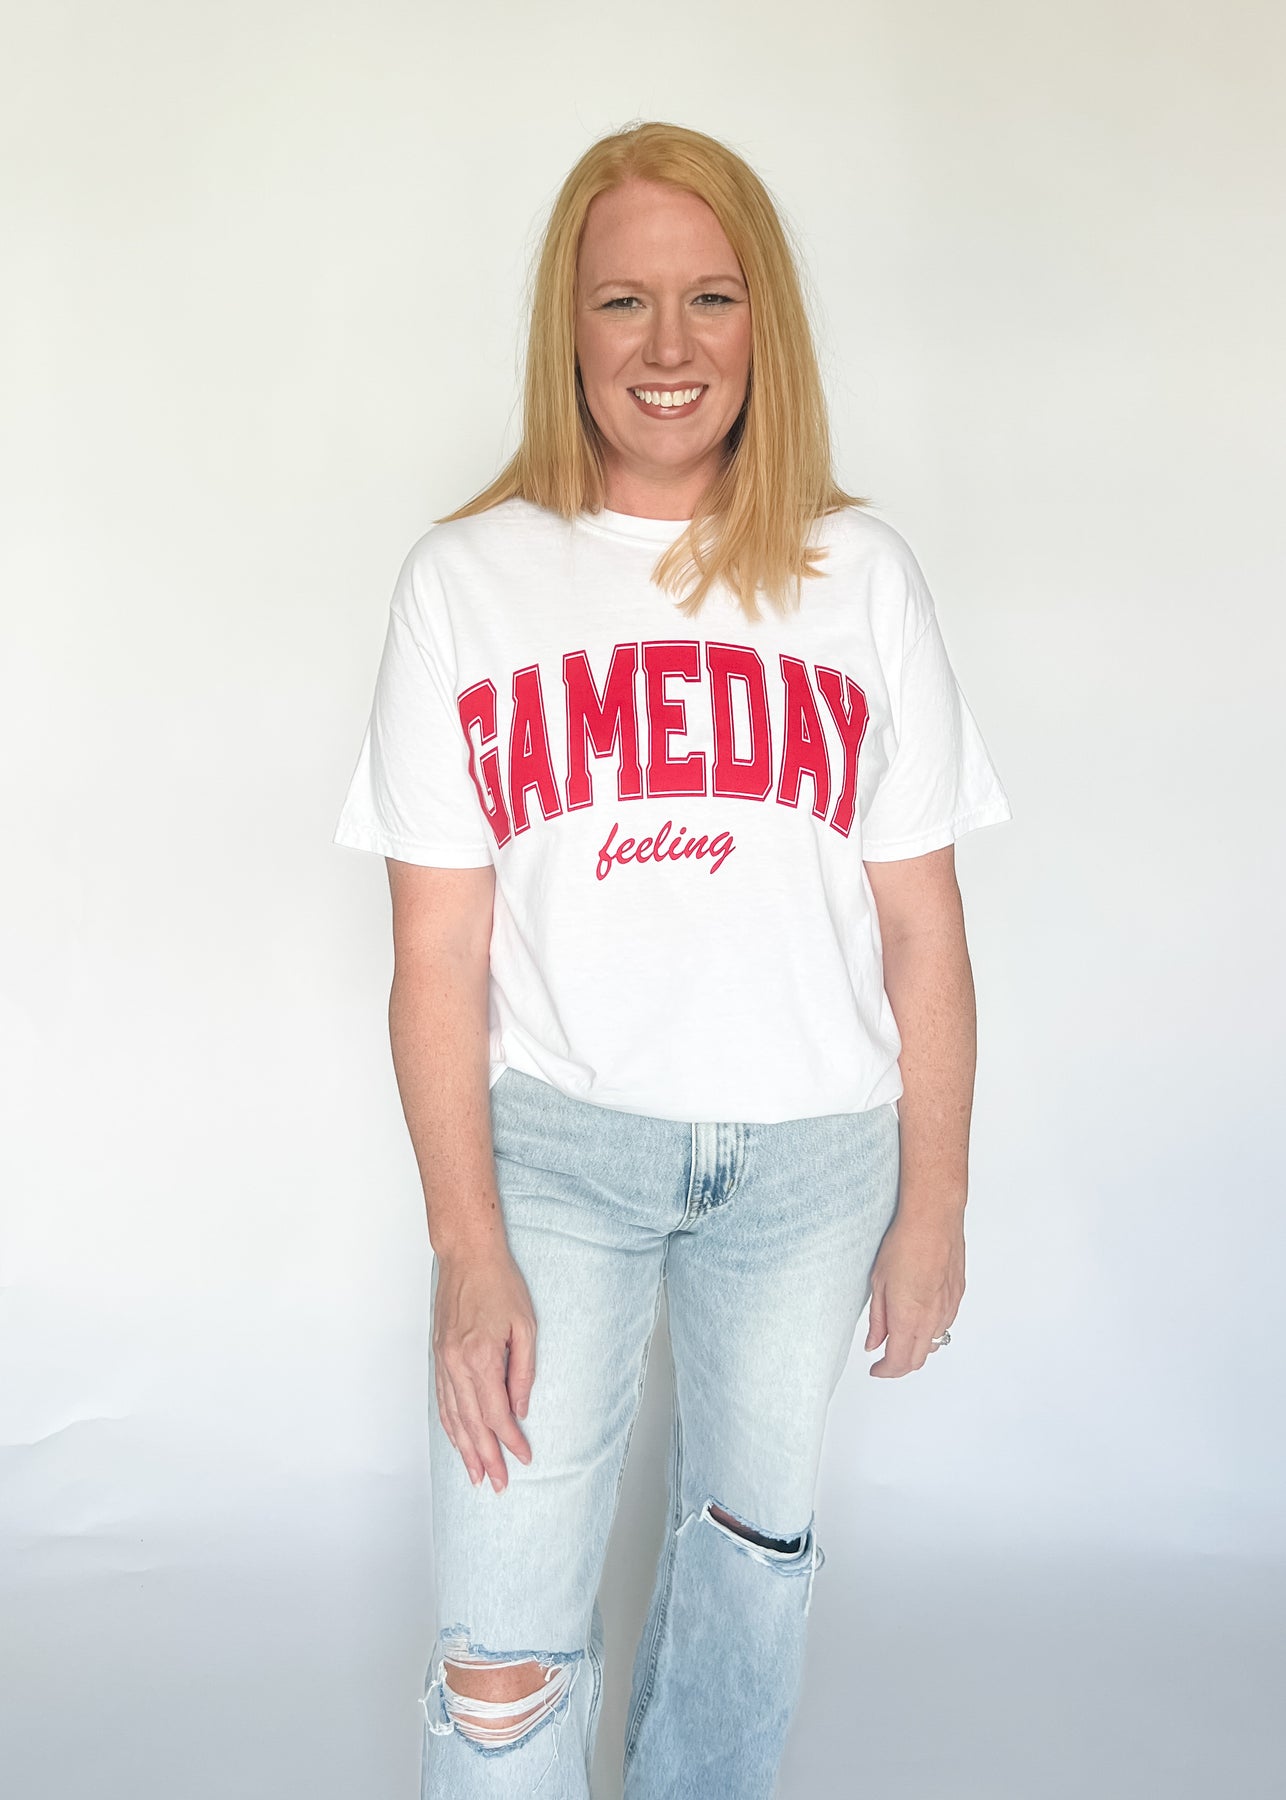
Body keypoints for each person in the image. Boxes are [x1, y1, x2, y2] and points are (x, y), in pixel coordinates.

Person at [333, 119, 1013, 1800]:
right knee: (500, 1639)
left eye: (710, 298)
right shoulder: (464, 584)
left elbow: (920, 923)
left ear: (761, 322)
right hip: (554, 1161)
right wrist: (465, 1244)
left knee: (744, 1573)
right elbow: (437, 952)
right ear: (565, 328)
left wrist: (934, 1205)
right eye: (622, 300)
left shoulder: (860, 579)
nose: (667, 346)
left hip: (812, 1167)